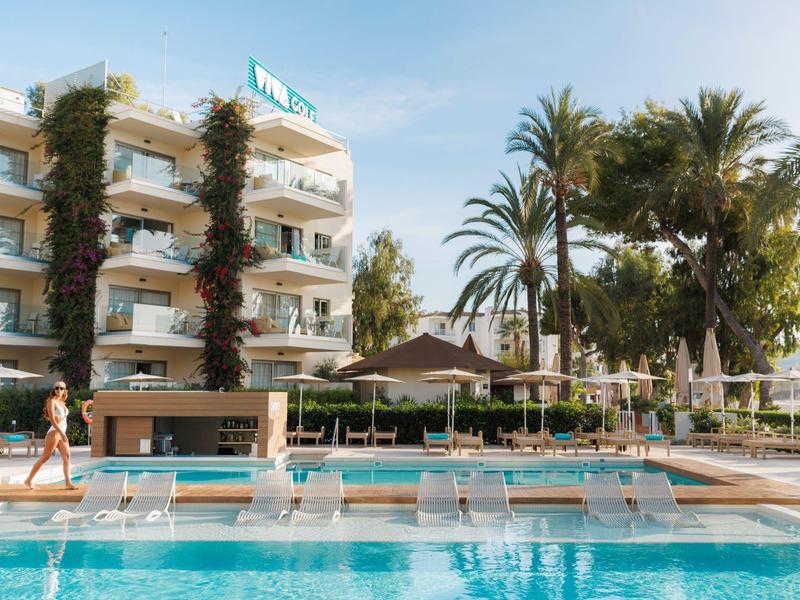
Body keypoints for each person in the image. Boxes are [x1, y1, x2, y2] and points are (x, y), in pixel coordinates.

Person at [24, 382, 77, 490]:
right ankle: (28, 480)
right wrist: (62, 434)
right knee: (45, 457)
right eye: (56, 388)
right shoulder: (52, 402)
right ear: (54, 390)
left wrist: (62, 433)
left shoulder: (62, 402)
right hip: (54, 433)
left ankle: (68, 483)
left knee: (67, 457)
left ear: (64, 390)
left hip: (61, 433)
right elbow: (52, 420)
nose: (59, 390)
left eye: (61, 388)